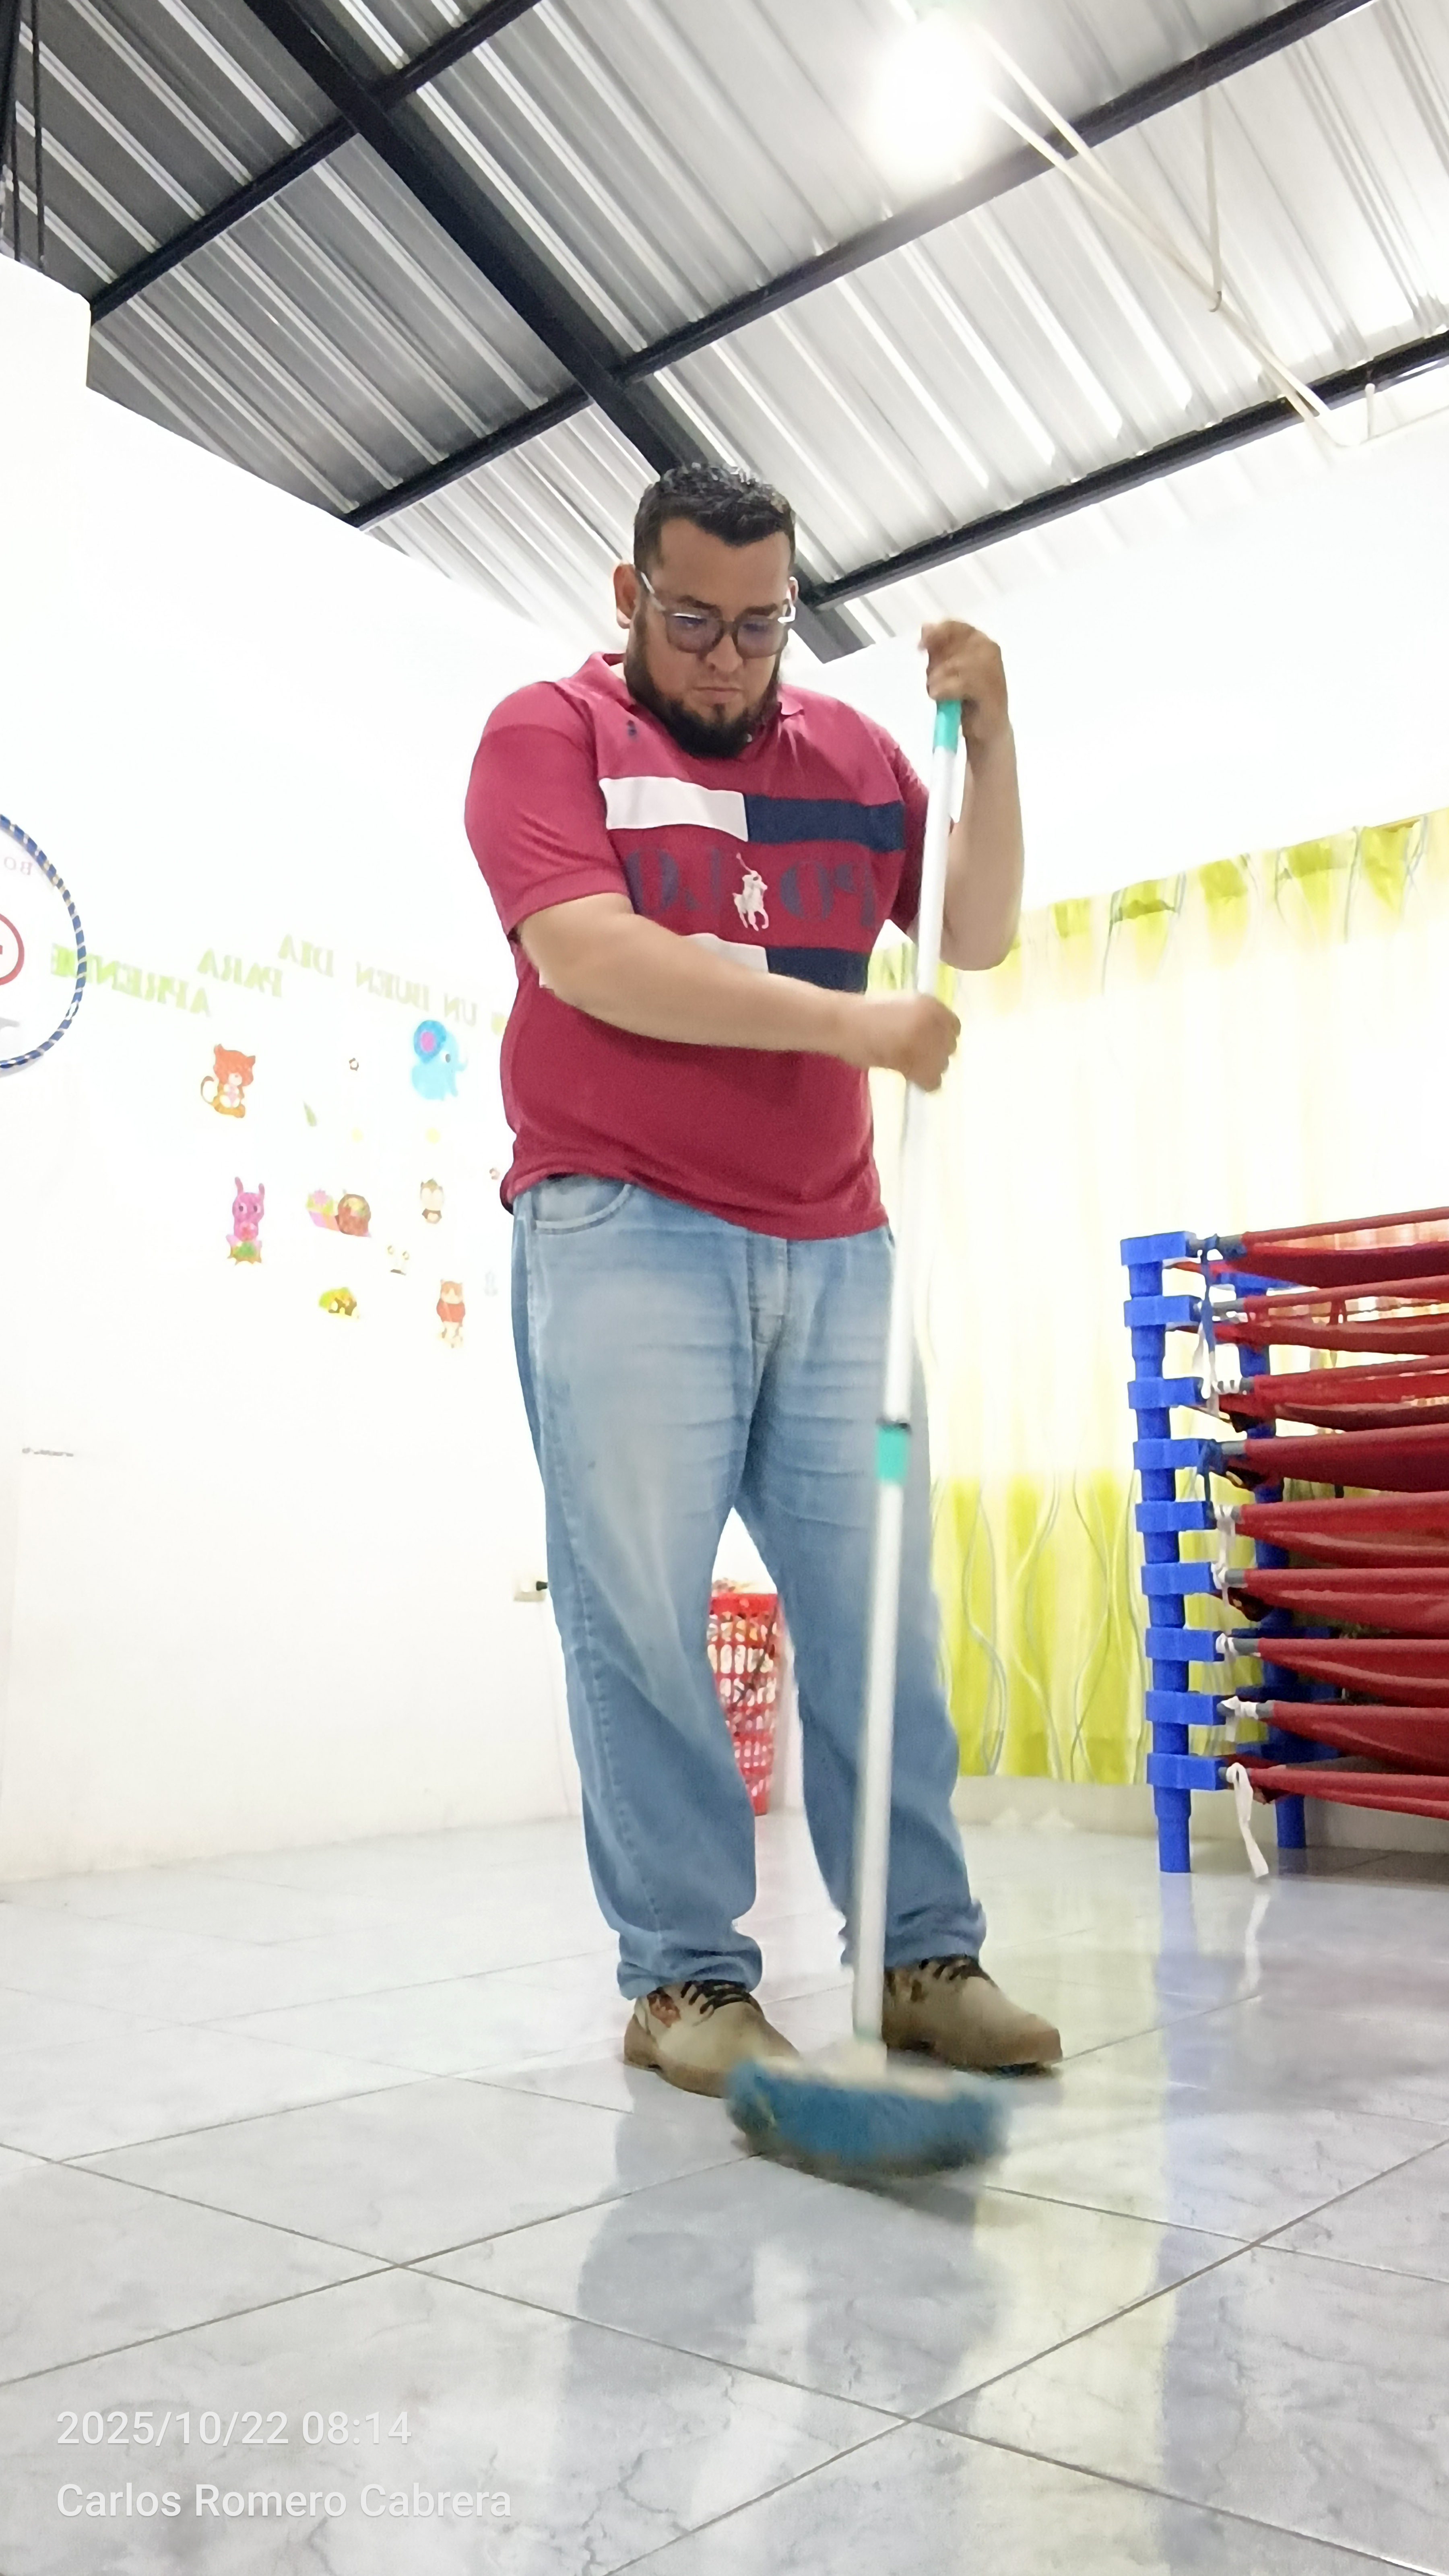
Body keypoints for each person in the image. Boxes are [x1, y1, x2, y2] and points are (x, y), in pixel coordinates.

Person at [465, 463, 1060, 2096]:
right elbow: (590, 955)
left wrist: (997, 740)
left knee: (882, 1613)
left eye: (760, 625)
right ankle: (685, 1981)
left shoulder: (857, 759)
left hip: (837, 1245)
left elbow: (975, 929)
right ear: (629, 594)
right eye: (693, 621)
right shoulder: (548, 736)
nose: (727, 659)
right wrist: (850, 1024)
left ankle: (923, 1955)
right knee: (641, 1615)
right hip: (621, 1224)